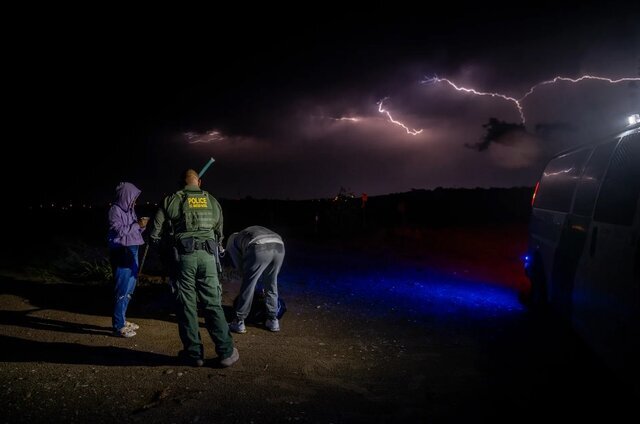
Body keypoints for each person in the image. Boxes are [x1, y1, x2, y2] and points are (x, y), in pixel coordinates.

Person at [150, 169, 239, 368]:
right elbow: (219, 234)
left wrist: (164, 252)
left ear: (181, 183)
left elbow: (154, 234)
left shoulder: (172, 199)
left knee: (186, 306)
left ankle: (193, 354)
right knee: (212, 304)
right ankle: (225, 352)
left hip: (183, 258)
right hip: (208, 257)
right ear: (199, 181)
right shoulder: (212, 201)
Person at [225, 225, 285, 333]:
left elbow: (240, 267)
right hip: (279, 246)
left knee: (248, 285)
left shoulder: (232, 241)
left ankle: (239, 321)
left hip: (259, 246)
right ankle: (273, 320)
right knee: (271, 283)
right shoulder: (246, 233)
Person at [107, 182, 148, 338]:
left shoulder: (130, 210)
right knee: (122, 290)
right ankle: (118, 326)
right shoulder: (114, 210)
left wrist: (141, 226)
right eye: (133, 198)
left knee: (129, 289)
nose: (135, 201)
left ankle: (122, 320)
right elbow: (118, 231)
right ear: (126, 196)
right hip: (121, 250)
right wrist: (137, 225)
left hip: (133, 249)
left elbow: (134, 230)